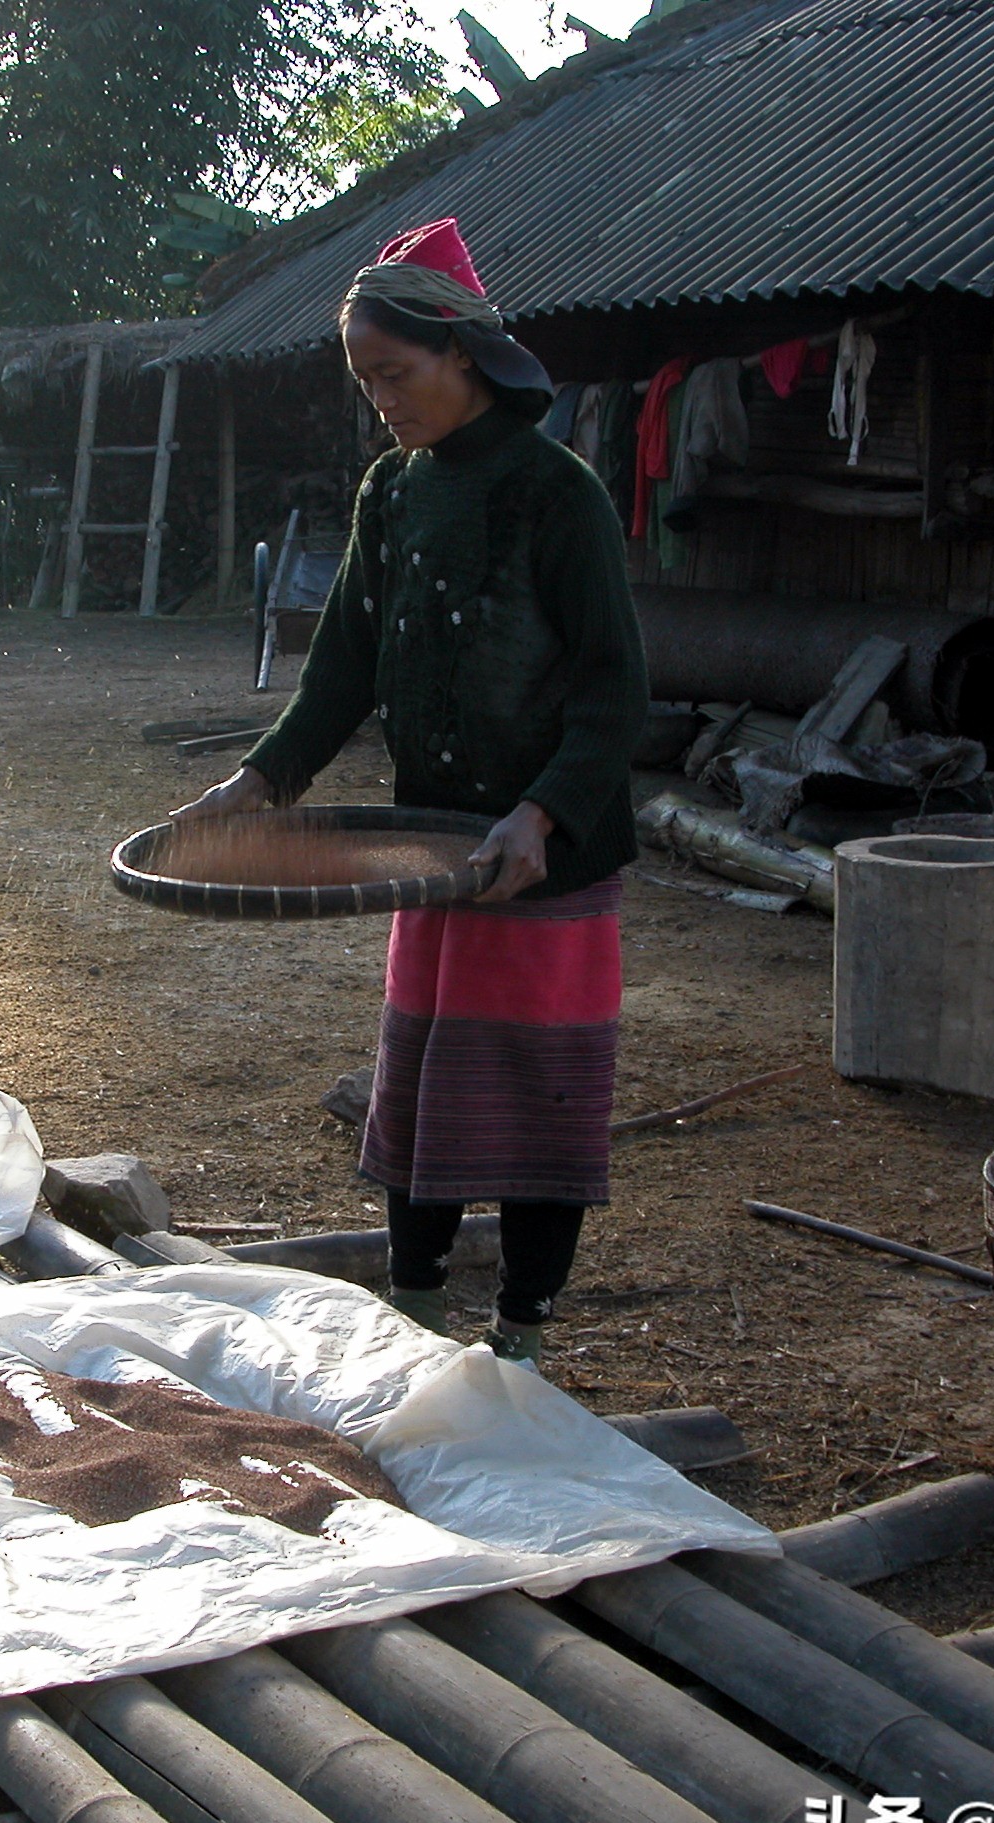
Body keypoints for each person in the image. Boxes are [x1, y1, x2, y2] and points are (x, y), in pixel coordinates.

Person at [178, 217, 648, 1368]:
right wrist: (259, 780)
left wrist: (540, 814)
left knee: (537, 1103)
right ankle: (418, 1315)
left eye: (395, 375)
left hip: (543, 864)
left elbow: (612, 691)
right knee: (424, 1086)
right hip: (432, 858)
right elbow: (342, 668)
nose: (379, 400)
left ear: (464, 355)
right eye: (364, 381)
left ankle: (522, 1337)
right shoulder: (390, 495)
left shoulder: (557, 494)